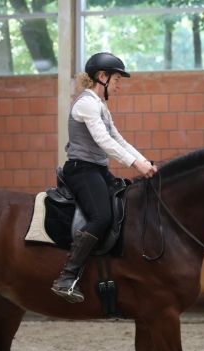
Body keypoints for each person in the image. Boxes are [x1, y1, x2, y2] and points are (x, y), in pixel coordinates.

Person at [52, 52, 157, 303]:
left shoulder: (100, 105)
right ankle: (67, 276)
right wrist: (135, 164)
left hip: (97, 169)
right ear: (102, 77)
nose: (119, 84)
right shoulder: (86, 103)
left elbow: (119, 139)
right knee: (102, 216)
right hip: (81, 170)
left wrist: (145, 162)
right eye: (117, 79)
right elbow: (104, 141)